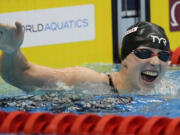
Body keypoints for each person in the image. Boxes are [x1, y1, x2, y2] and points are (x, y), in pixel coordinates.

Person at [0, 21, 170, 93]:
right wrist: (12, 52)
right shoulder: (87, 80)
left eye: (163, 56)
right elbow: (21, 75)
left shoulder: (170, 91)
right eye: (145, 53)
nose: (155, 62)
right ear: (124, 57)